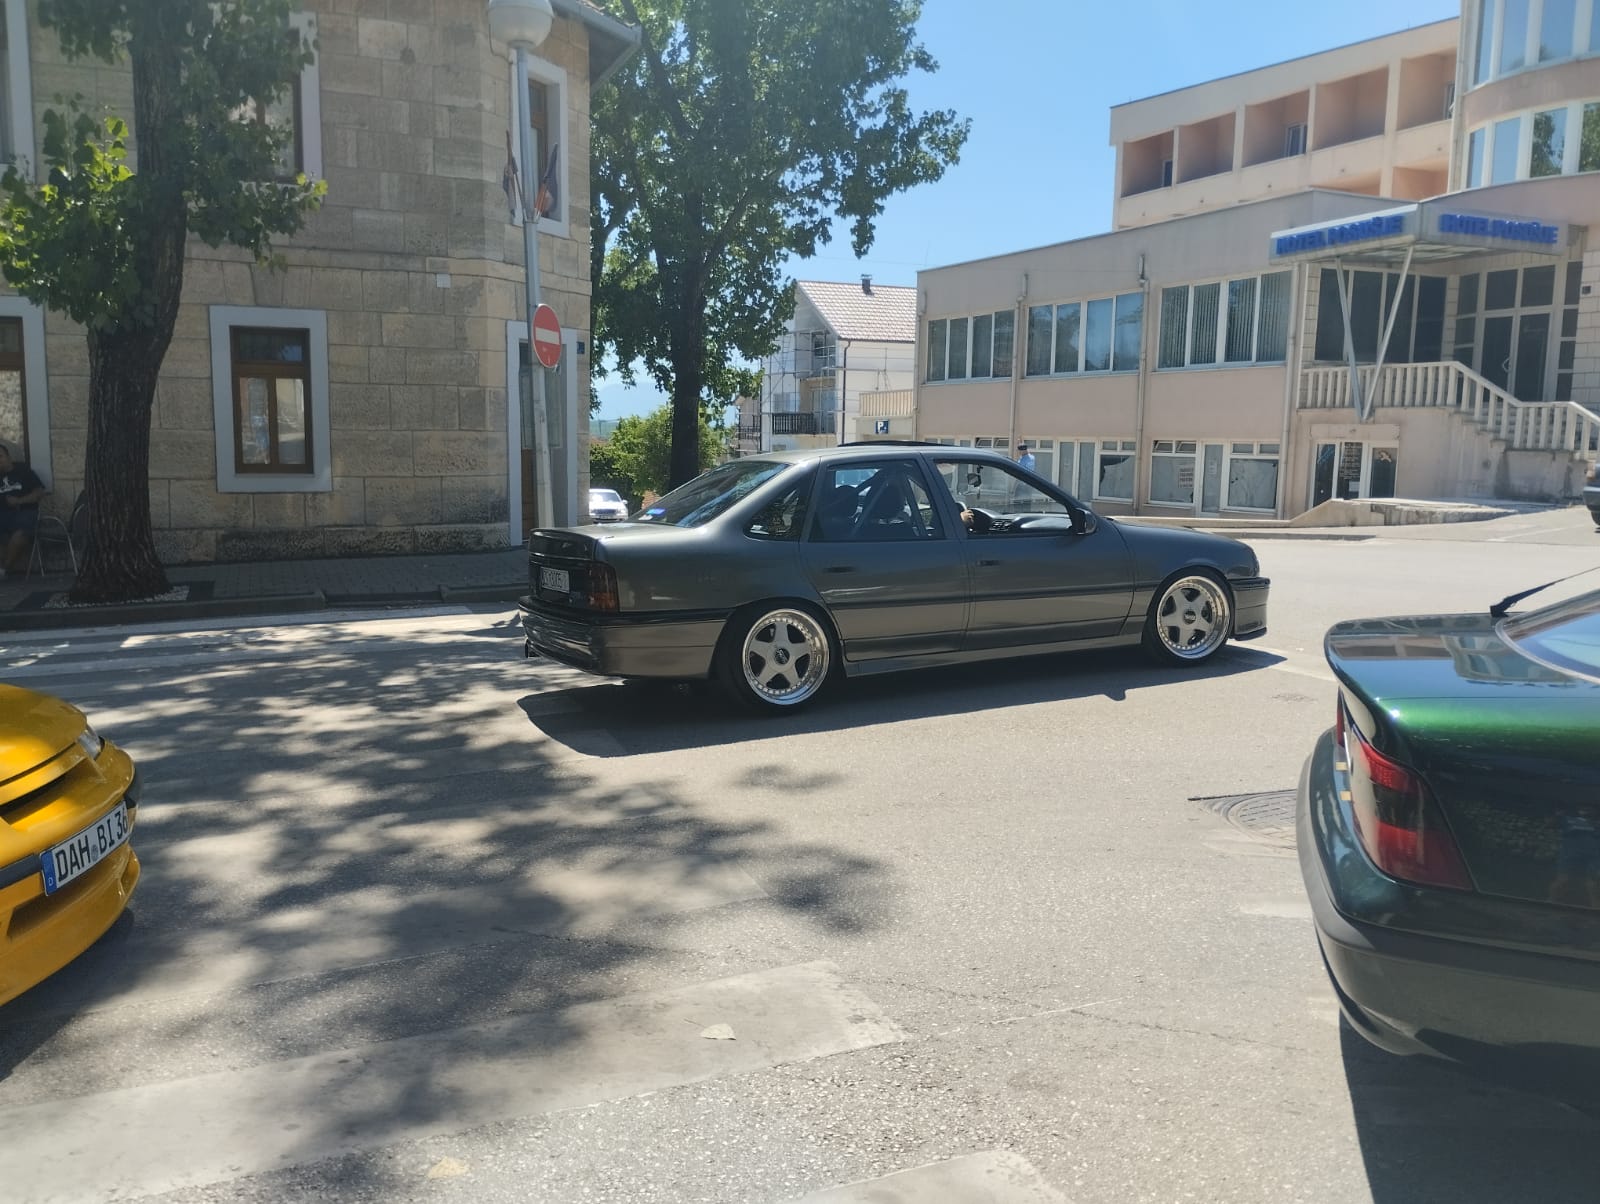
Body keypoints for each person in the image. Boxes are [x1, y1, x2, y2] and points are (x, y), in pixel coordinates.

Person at [0, 443, 45, 576]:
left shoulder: (24, 471)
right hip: (3, 514)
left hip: (25, 511)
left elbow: (39, 493)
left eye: (0, 456)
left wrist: (18, 501)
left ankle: (4, 569)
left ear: (8, 457)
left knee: (20, 535)